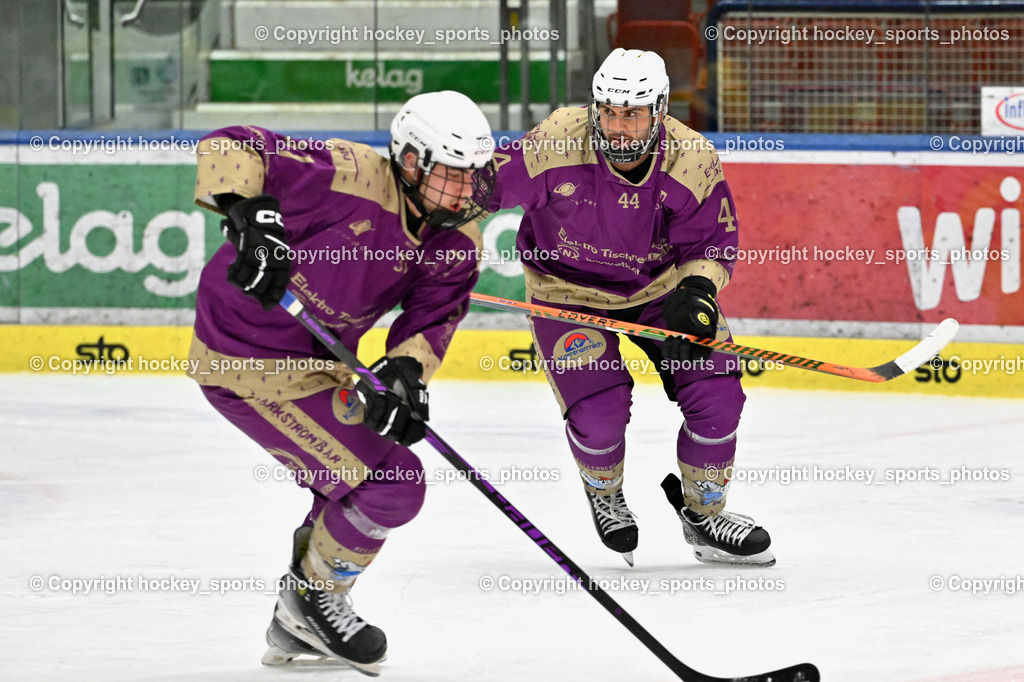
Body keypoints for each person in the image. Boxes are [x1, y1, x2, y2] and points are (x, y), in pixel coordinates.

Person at [186, 90, 494, 672]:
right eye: (452, 175)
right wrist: (251, 217)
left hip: (321, 359)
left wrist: (405, 375)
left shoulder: (457, 240)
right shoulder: (349, 174)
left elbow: (432, 319)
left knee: (357, 483)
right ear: (410, 162)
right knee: (393, 482)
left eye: (474, 176)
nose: (466, 192)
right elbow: (233, 144)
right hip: (243, 352)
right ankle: (313, 600)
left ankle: (299, 614)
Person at [476, 49, 773, 567]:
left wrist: (698, 292)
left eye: (632, 114)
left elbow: (711, 243)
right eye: (609, 112)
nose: (618, 127)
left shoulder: (691, 157)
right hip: (566, 294)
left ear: (660, 110)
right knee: (599, 415)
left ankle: (704, 515)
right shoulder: (557, 140)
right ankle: (605, 493)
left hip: (661, 291)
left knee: (718, 398)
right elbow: (480, 188)